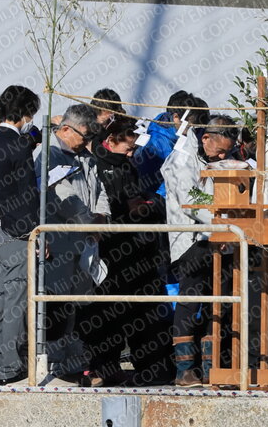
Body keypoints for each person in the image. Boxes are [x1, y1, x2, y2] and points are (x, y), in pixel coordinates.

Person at [81, 117, 171, 386]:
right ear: (111, 141)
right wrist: (133, 206)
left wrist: (147, 204)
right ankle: (105, 367)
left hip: (137, 250)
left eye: (134, 150)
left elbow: (135, 198)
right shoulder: (97, 165)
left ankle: (146, 366)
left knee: (140, 312)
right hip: (111, 251)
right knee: (109, 313)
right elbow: (109, 204)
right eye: (128, 148)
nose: (131, 154)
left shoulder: (127, 165)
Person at [161, 115, 238, 387]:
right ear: (205, 138)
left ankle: (211, 366)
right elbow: (192, 201)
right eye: (220, 150)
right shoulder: (182, 160)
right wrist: (221, 222)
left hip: (218, 239)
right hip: (190, 241)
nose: (223, 156)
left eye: (227, 152)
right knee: (189, 302)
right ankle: (184, 369)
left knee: (217, 304)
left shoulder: (210, 159)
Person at [38, 103, 111, 378]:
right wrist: (88, 222)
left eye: (91, 137)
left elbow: (99, 189)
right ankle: (52, 364)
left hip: (82, 240)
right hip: (58, 241)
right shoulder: (49, 155)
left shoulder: (85, 157)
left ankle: (67, 361)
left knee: (73, 303)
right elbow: (63, 195)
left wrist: (102, 217)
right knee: (55, 302)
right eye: (84, 136)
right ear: (66, 129)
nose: (86, 142)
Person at [0, 85, 41, 384]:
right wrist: (35, 234)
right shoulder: (18, 145)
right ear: (24, 113)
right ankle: (9, 367)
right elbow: (27, 194)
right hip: (15, 233)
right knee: (15, 304)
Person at [133, 91, 210, 196]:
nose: (193, 132)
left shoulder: (180, 137)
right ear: (176, 118)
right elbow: (156, 184)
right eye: (190, 127)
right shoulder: (157, 143)